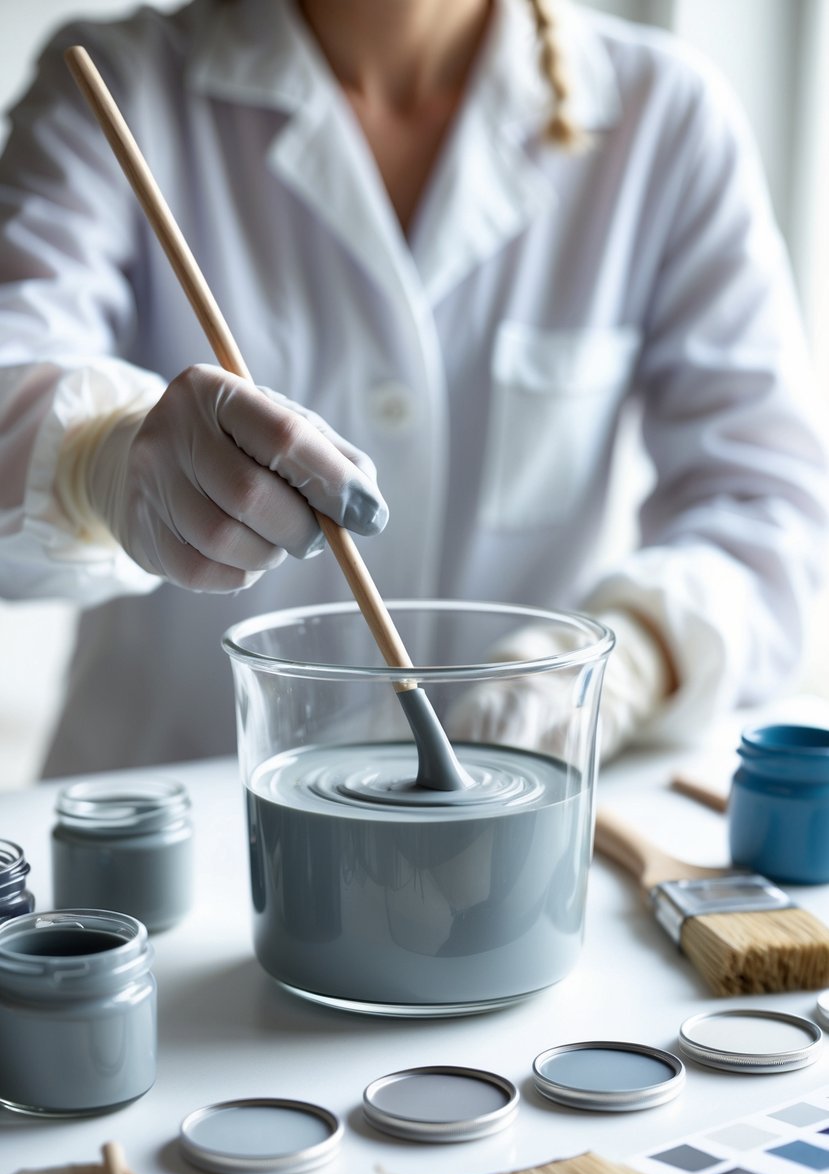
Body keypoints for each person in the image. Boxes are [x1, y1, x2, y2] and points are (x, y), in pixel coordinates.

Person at [0, 0, 826, 778]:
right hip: (160, 852)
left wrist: (628, 658)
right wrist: (99, 460)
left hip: (499, 858)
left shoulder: (665, 118)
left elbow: (773, 515)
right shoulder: (117, 85)